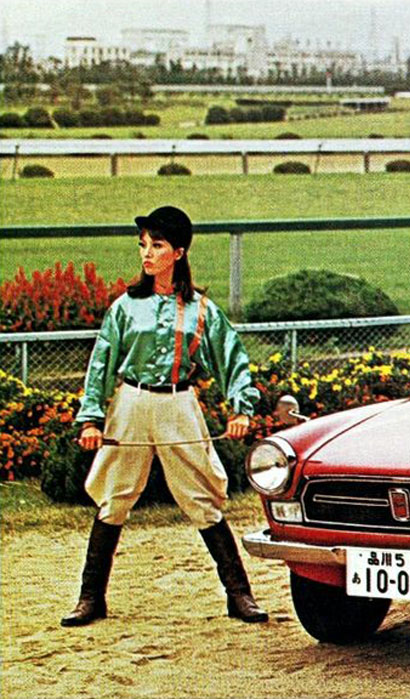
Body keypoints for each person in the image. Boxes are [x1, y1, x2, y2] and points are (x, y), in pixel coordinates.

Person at [63, 205, 268, 627]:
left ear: (178, 252)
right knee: (114, 496)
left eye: (157, 246)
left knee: (201, 496)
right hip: (131, 404)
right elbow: (101, 364)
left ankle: (240, 595)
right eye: (143, 245)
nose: (147, 253)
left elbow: (232, 359)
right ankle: (90, 598)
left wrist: (241, 409)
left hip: (178, 405)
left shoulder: (201, 310)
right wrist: (90, 419)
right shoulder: (124, 307)